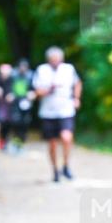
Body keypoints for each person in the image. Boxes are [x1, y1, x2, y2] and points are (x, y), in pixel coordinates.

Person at [33, 46, 82, 182]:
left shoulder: (68, 69)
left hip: (65, 110)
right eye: (53, 60)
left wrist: (76, 98)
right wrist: (49, 89)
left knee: (67, 137)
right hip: (48, 112)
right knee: (52, 143)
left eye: (58, 60)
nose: (56, 62)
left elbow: (77, 83)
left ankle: (66, 165)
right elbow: (36, 92)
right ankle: (55, 170)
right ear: (48, 60)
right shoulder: (41, 70)